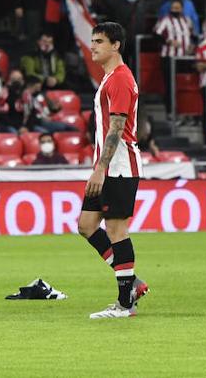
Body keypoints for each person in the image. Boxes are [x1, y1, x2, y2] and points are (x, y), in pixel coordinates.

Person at [77, 22, 149, 319]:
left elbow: (117, 127)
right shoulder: (110, 78)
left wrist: (101, 168)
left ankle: (125, 303)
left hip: (118, 167)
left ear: (116, 45)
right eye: (92, 41)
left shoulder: (119, 79)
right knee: (86, 225)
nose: (92, 46)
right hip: (108, 166)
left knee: (117, 230)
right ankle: (132, 282)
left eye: (99, 41)